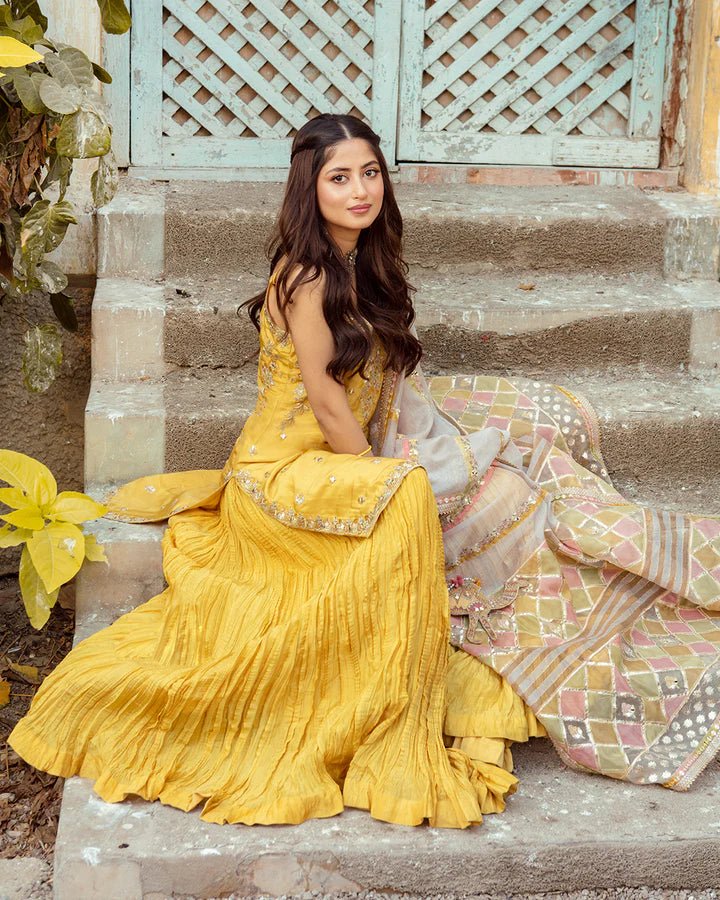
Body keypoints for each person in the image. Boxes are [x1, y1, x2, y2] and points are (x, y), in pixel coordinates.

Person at [8, 114, 720, 830]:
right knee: (418, 493)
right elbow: (324, 399)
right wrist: (386, 480)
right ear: (308, 189)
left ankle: (588, 607)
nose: (359, 190)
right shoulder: (307, 276)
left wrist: (436, 449)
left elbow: (384, 381)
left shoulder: (366, 261)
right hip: (286, 467)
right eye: (339, 177)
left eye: (369, 173)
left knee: (523, 445)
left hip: (350, 439)